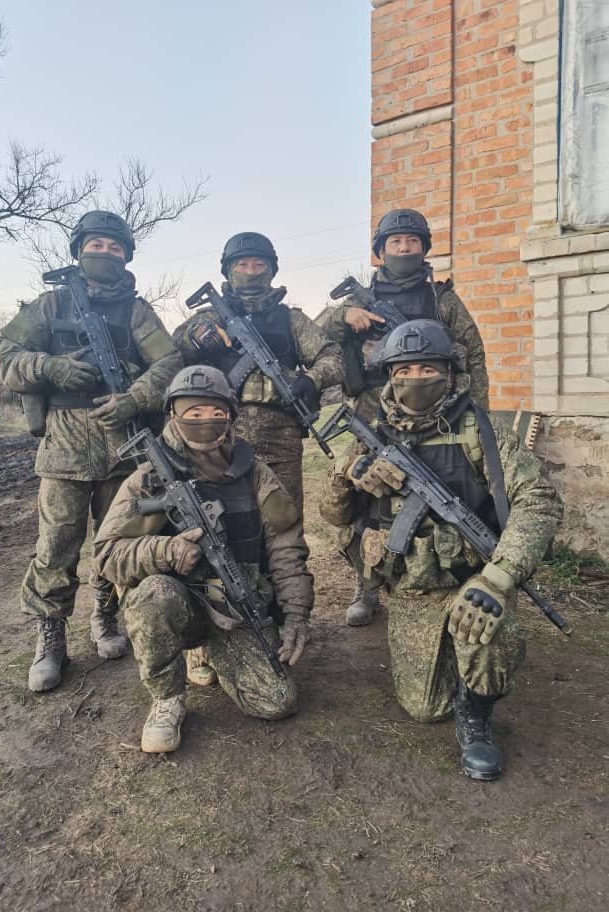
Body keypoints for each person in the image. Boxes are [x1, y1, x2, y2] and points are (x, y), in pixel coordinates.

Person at [319, 320, 562, 780]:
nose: (416, 378)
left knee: (490, 631)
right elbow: (332, 516)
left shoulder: (481, 430)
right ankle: (449, 658)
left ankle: (477, 713)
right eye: (405, 369)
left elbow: (539, 501)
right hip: (411, 589)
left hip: (471, 577)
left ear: (449, 374)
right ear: (390, 375)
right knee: (425, 708)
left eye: (428, 368)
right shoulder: (371, 433)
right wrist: (349, 472)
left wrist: (500, 577)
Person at [0, 209, 182, 692]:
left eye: (114, 246)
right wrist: (50, 367)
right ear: (79, 250)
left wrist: (135, 399)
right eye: (95, 245)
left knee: (117, 540)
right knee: (55, 547)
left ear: (126, 255)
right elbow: (6, 360)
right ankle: (50, 637)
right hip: (63, 451)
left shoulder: (137, 312)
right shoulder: (48, 306)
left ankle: (107, 617)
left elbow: (169, 361)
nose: (104, 253)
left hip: (124, 449)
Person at [93, 365, 313, 753]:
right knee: (154, 593)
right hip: (177, 602)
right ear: (173, 416)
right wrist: (165, 550)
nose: (205, 421)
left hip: (234, 605)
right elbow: (107, 554)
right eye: (193, 413)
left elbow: (286, 545)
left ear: (230, 417)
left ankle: (207, 650)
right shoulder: (147, 480)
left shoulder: (254, 473)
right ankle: (167, 699)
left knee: (277, 701)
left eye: (216, 412)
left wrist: (296, 614)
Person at [320, 208, 491, 626]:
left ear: (424, 248)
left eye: (412, 241)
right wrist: (343, 317)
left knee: (429, 494)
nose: (404, 248)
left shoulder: (442, 299)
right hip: (373, 414)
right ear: (381, 251)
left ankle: (430, 575)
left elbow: (474, 356)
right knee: (365, 498)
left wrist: (476, 414)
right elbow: (318, 333)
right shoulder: (357, 300)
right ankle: (366, 586)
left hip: (435, 416)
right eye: (396, 242)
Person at [173, 231, 344, 515]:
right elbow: (174, 348)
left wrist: (311, 379)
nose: (251, 272)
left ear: (271, 271)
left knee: (284, 522)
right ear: (228, 270)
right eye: (242, 265)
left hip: (281, 440)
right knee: (225, 524)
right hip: (217, 439)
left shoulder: (292, 320)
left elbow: (333, 357)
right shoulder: (210, 315)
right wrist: (198, 336)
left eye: (259, 265)